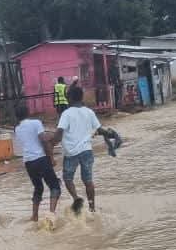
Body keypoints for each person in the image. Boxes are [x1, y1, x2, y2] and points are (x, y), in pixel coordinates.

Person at [53, 85, 116, 214]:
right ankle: (92, 208)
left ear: (69, 98)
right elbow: (99, 130)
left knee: (68, 179)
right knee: (88, 181)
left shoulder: (66, 114)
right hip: (87, 151)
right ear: (81, 97)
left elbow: (59, 133)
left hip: (71, 153)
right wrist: (111, 134)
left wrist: (50, 143)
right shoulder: (89, 112)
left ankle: (76, 199)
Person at [14, 103, 61, 221]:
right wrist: (51, 158)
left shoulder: (17, 129)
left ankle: (34, 216)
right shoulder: (36, 123)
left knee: (38, 188)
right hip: (41, 158)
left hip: (28, 162)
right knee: (55, 186)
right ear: (28, 112)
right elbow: (43, 140)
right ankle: (51, 215)